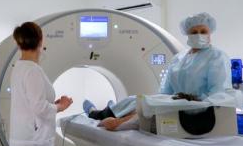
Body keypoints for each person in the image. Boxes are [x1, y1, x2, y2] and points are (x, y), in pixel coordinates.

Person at [83, 12, 231, 132]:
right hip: (175, 101)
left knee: (147, 104)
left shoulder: (217, 56)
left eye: (203, 31)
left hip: (198, 107)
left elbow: (218, 93)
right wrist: (159, 100)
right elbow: (166, 90)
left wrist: (190, 100)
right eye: (194, 32)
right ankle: (103, 112)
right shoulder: (179, 58)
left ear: (210, 33)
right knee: (137, 99)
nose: (198, 35)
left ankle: (112, 118)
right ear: (187, 34)